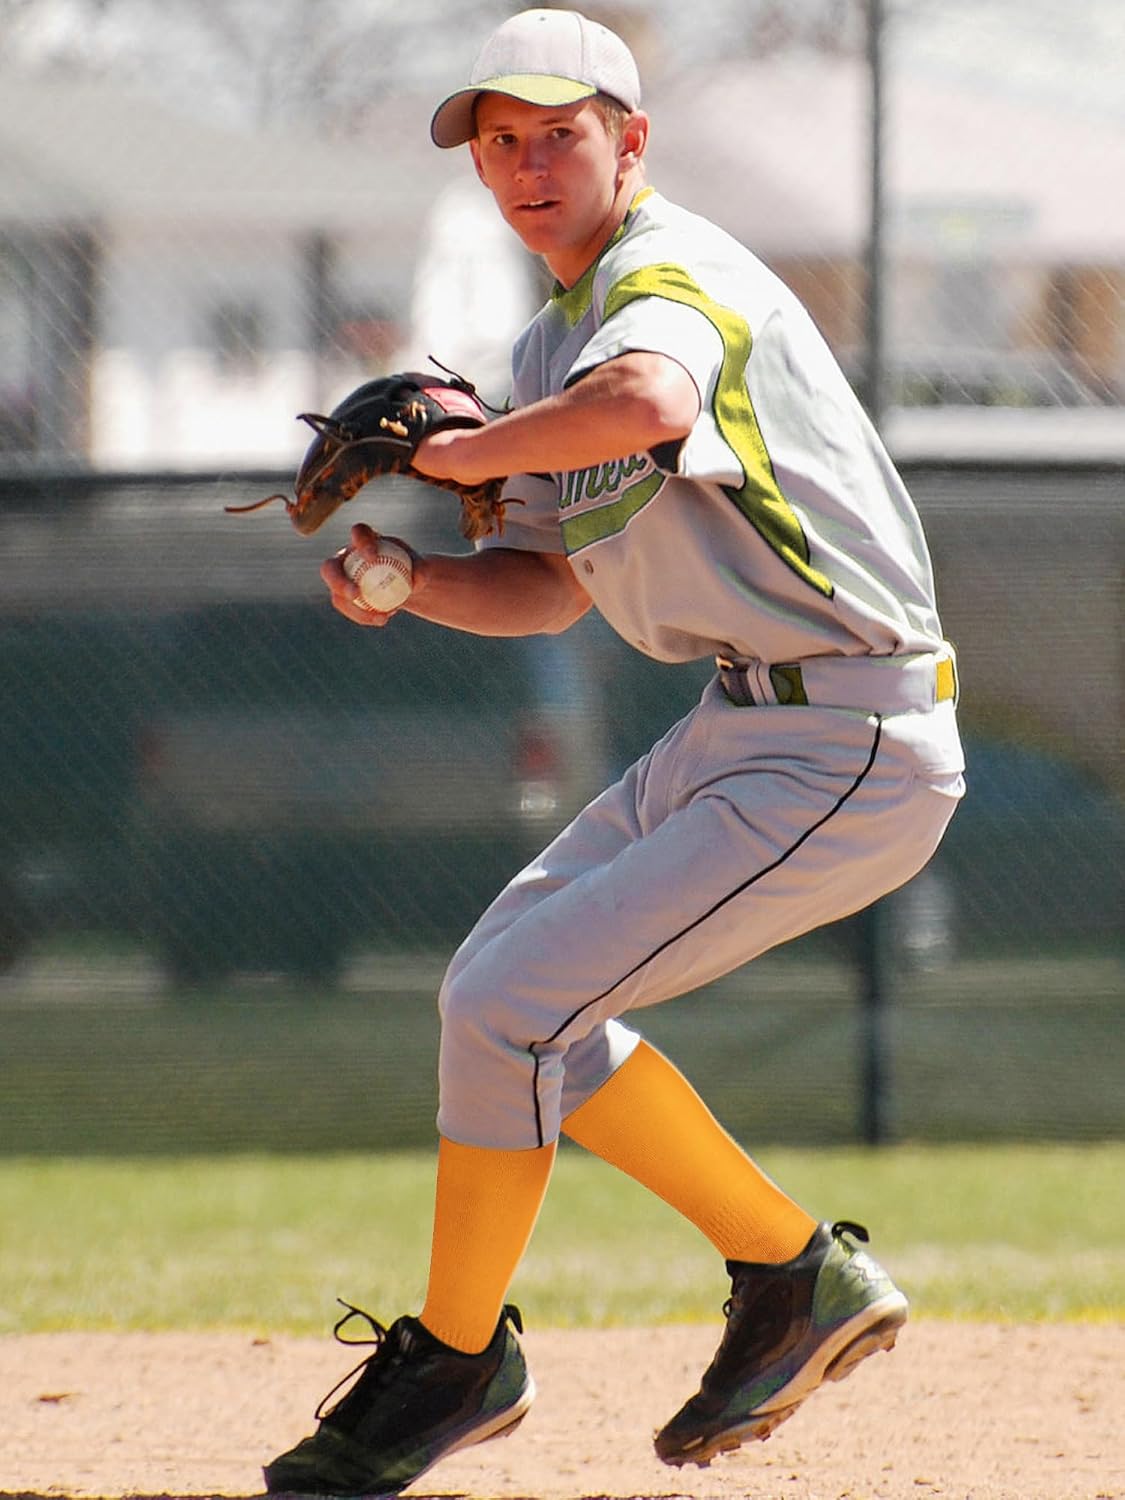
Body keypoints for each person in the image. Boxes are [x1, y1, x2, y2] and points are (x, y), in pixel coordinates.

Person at [264, 8, 965, 1494]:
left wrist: (454, 453)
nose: (524, 164)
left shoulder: (670, 277)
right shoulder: (545, 343)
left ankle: (458, 1365)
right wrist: (414, 584)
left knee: (514, 999)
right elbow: (548, 583)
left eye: (558, 134)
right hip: (741, 722)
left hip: (853, 732)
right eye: (497, 142)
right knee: (504, 994)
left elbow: (650, 401)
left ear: (627, 144)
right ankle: (789, 1274)